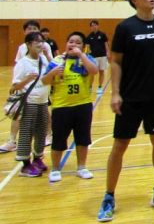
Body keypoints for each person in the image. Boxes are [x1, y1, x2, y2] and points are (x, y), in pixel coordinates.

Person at [97, 0, 154, 222]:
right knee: (119, 146)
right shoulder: (125, 28)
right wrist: (115, 93)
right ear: (134, 0)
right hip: (131, 97)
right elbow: (116, 61)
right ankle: (109, 195)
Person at [46, 31, 98, 182]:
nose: (73, 45)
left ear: (83, 46)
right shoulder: (57, 60)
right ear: (66, 43)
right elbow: (44, 81)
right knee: (59, 139)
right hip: (61, 107)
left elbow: (94, 71)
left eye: (77, 42)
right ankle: (55, 169)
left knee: (83, 138)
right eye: (71, 42)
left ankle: (81, 167)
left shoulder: (87, 59)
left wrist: (82, 55)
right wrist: (52, 73)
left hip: (83, 105)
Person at [12, 32, 63, 177]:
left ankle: (37, 158)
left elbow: (51, 76)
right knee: (26, 133)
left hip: (43, 102)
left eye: (41, 41)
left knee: (41, 132)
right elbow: (14, 87)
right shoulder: (23, 63)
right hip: (29, 102)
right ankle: (25, 164)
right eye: (36, 42)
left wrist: (48, 55)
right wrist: (27, 79)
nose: (40, 44)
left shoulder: (43, 60)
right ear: (28, 44)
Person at [1, 20, 53, 154]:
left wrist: (47, 54)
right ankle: (12, 141)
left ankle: (48, 136)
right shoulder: (22, 49)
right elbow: (19, 70)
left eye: (35, 28)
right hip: (27, 93)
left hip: (41, 89)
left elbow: (51, 66)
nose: (32, 31)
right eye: (29, 29)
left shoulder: (44, 46)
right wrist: (26, 79)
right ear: (25, 33)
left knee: (44, 114)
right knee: (21, 118)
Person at [85, 20, 110, 94]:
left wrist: (108, 52)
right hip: (93, 57)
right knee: (92, 73)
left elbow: (106, 44)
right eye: (92, 25)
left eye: (95, 25)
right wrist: (86, 56)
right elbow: (87, 47)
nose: (94, 27)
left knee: (101, 71)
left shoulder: (102, 34)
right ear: (90, 27)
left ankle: (100, 87)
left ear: (98, 26)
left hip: (102, 56)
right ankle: (90, 86)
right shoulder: (89, 37)